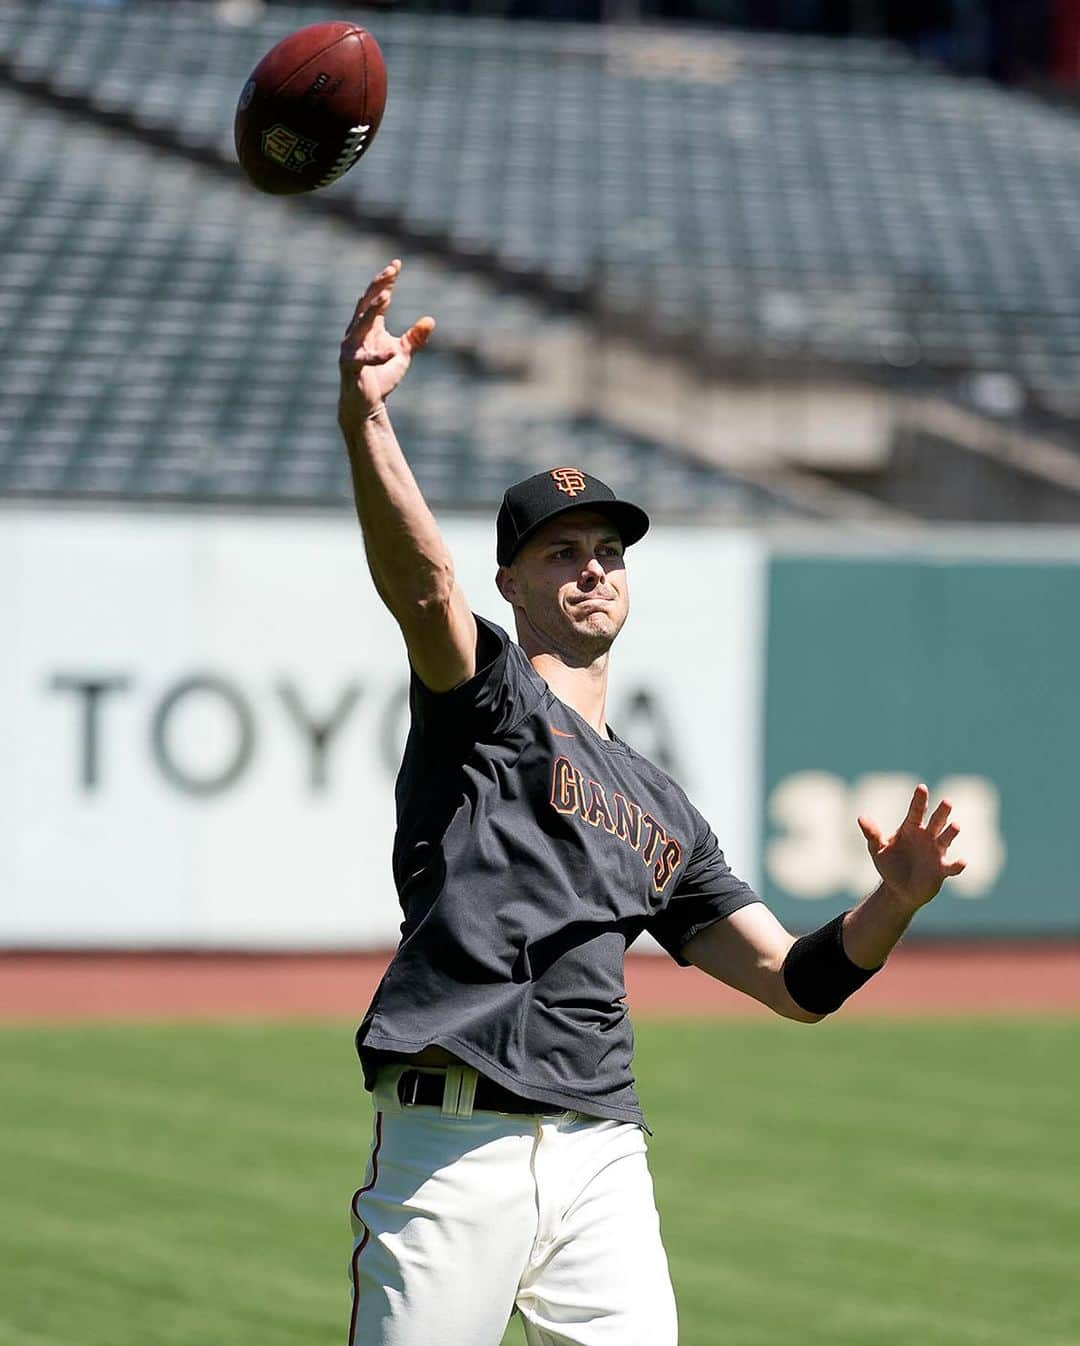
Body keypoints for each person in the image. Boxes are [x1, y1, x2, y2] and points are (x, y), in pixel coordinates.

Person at [337, 259, 967, 1346]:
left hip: (602, 1156)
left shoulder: (662, 805)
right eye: (563, 551)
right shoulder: (487, 702)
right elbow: (424, 584)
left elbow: (793, 982)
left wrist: (894, 905)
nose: (593, 569)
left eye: (610, 552)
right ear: (515, 584)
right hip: (456, 1148)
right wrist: (367, 420)